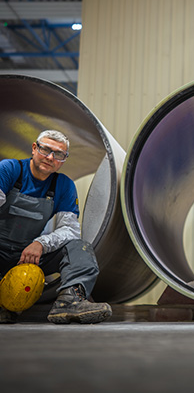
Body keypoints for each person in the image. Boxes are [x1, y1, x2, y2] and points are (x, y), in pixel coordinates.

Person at [0, 130, 112, 324]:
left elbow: (69, 230)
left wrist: (41, 244)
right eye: (45, 150)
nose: (50, 157)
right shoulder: (9, 170)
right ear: (34, 148)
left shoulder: (63, 185)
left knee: (79, 247)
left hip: (29, 257)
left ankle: (70, 301)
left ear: (63, 159)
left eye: (58, 154)